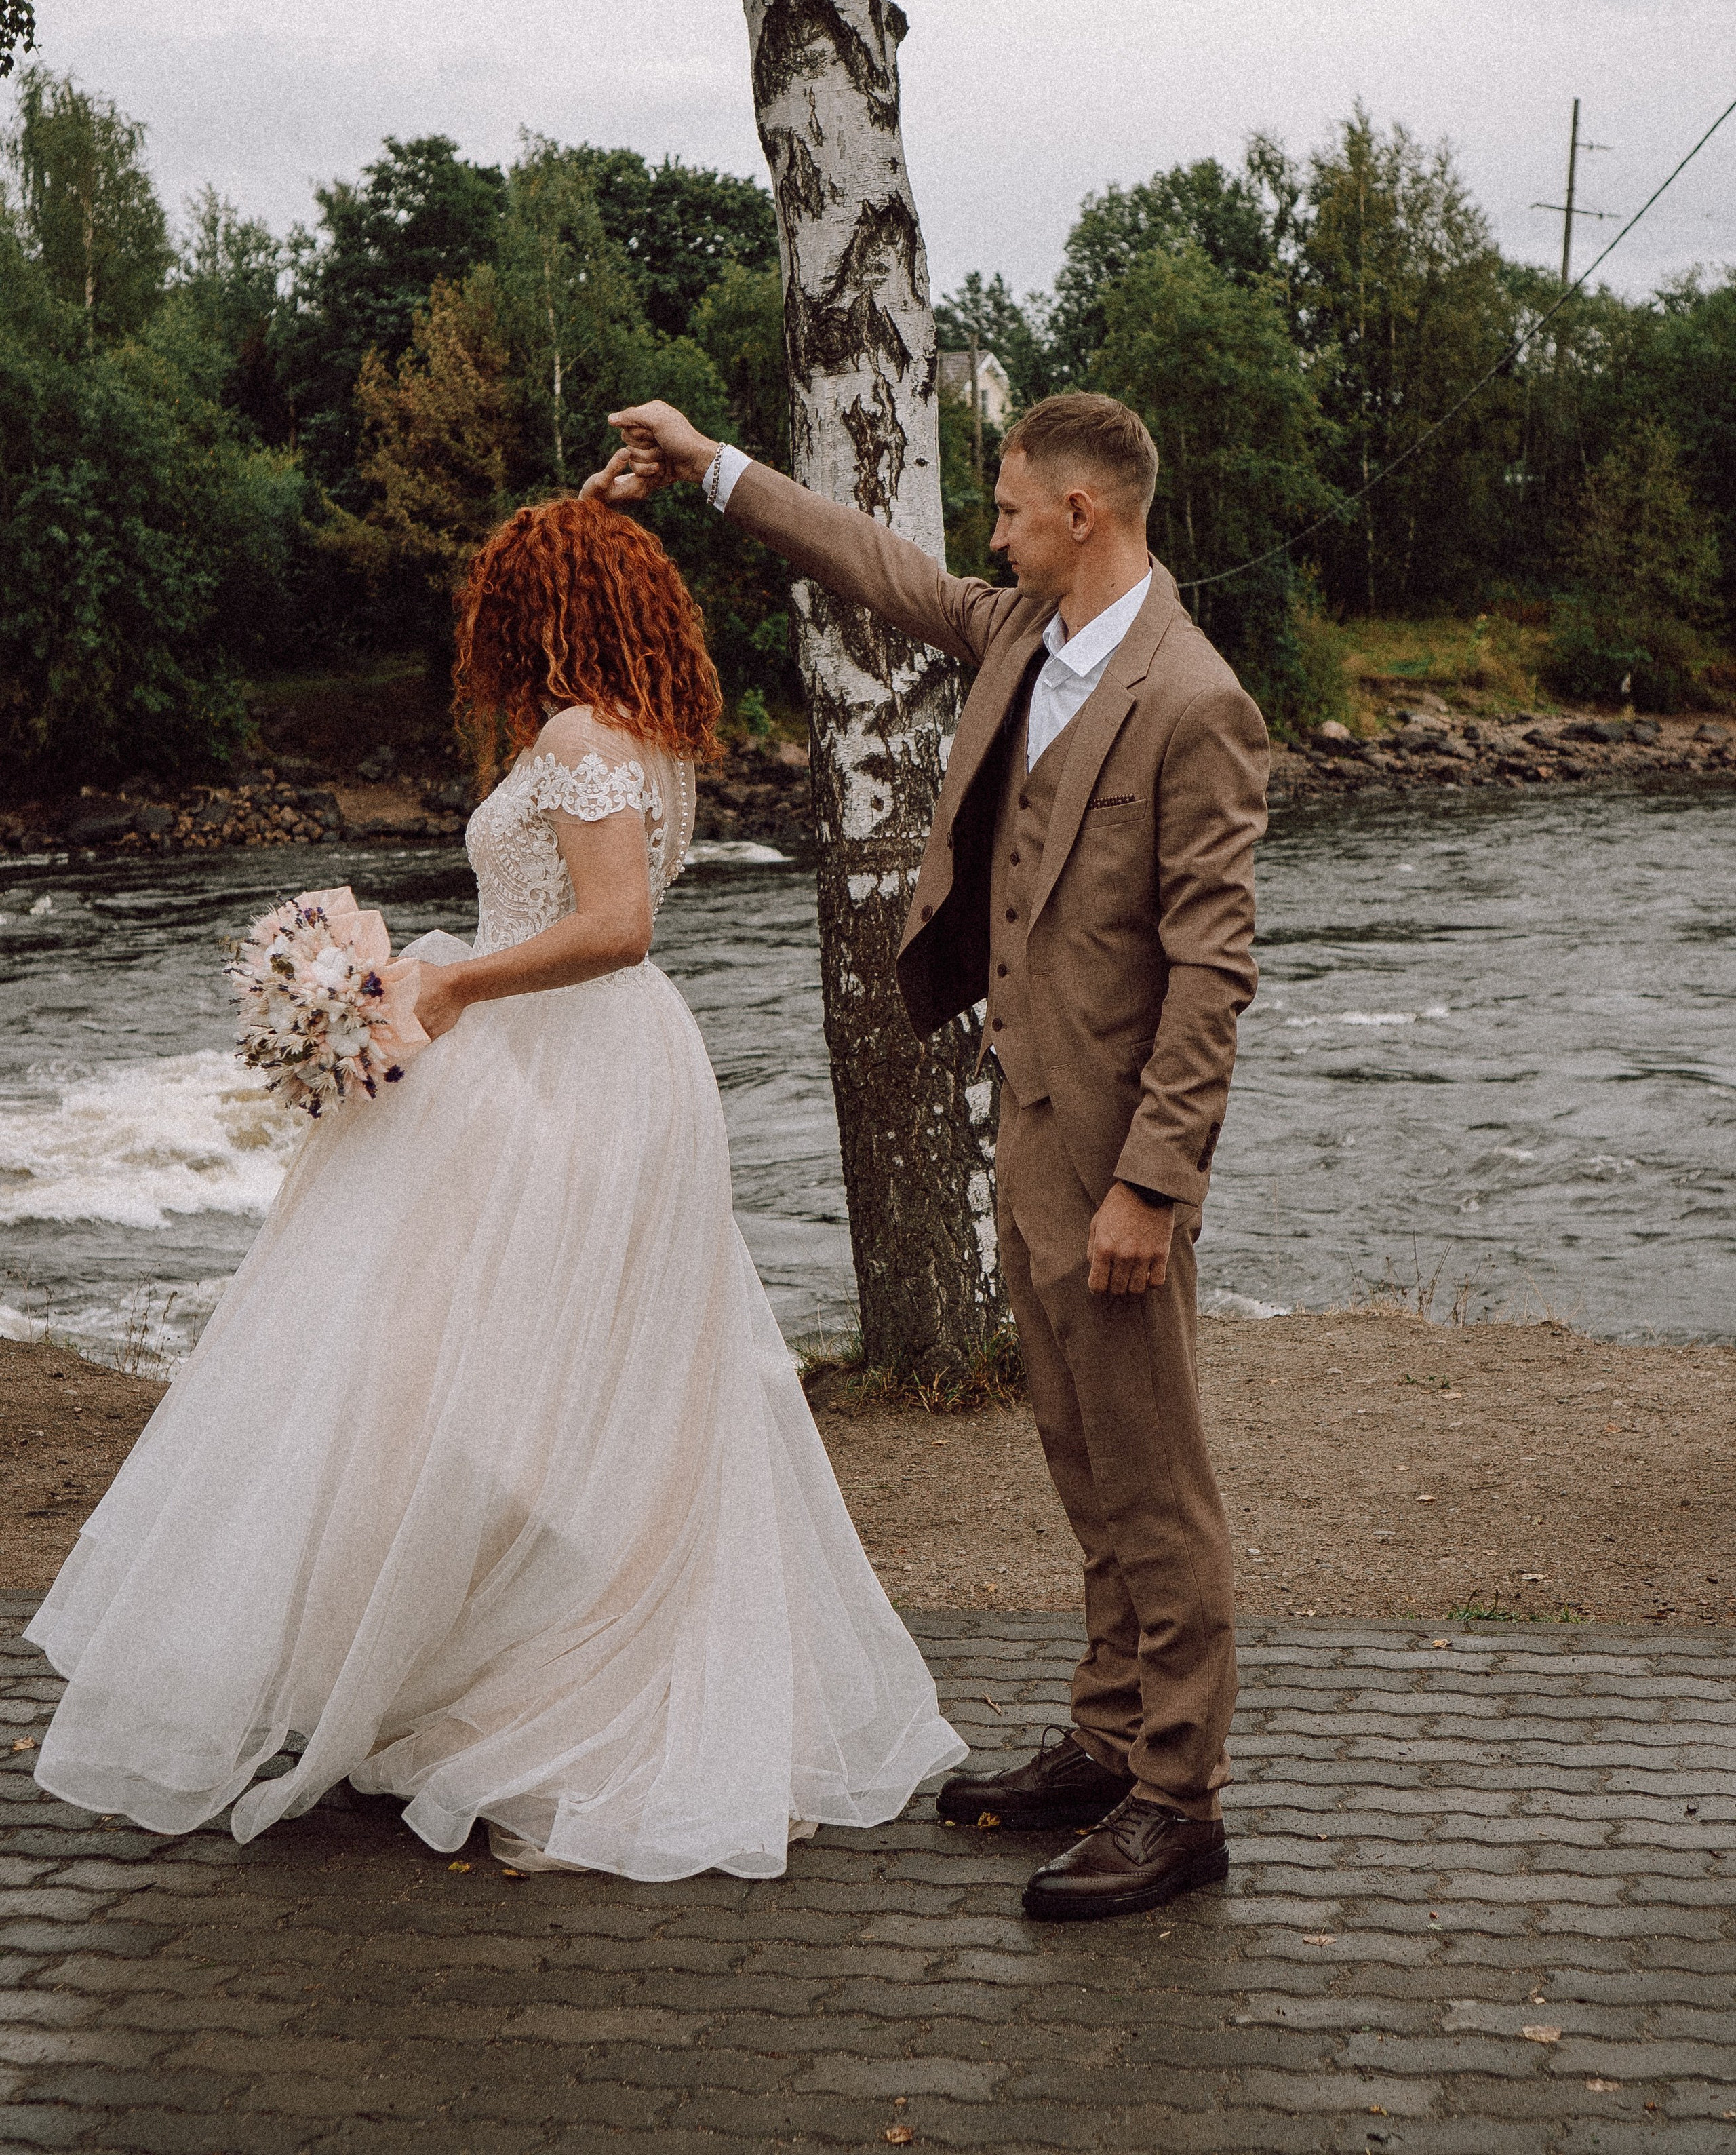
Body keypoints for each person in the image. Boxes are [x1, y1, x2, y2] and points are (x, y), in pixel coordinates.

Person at [28, 480, 964, 1880]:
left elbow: (617, 926)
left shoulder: (586, 739)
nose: (485, 625)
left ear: (537, 610)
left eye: (500, 600)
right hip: (568, 1062)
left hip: (570, 1067)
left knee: (500, 1378)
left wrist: (448, 978)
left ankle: (558, 1695)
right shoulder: (628, 737)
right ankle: (477, 1662)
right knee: (553, 1383)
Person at [606, 392, 1267, 1924]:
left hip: (1114, 1152)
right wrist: (712, 470)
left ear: (1083, 513)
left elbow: (1209, 973)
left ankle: (1180, 1796)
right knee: (1076, 1449)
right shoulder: (1021, 635)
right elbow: (871, 566)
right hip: (1024, 1117)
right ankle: (1109, 1736)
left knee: (1154, 1478)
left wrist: (1150, 1187)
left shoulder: (1192, 699)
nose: (988, 528)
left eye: (1009, 505)